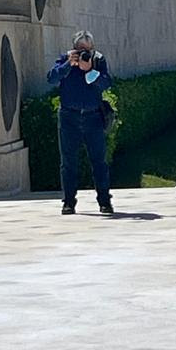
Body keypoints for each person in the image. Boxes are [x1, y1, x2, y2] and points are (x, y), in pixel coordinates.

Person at [47, 30, 114, 216]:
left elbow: (107, 83)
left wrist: (90, 71)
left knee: (99, 162)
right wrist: (68, 64)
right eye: (80, 50)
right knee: (68, 162)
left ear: (92, 49)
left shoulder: (98, 60)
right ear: (74, 48)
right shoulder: (66, 59)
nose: (84, 53)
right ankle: (68, 202)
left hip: (93, 117)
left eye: (87, 50)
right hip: (69, 117)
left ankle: (104, 202)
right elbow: (51, 78)